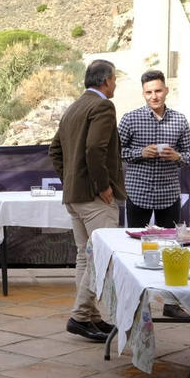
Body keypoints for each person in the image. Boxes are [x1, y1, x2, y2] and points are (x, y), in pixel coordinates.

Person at [49, 59, 125, 342]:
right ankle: (81, 316)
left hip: (75, 196)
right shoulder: (103, 106)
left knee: (85, 255)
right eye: (114, 79)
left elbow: (54, 150)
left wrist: (71, 179)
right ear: (106, 81)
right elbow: (95, 148)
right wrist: (102, 185)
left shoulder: (74, 107)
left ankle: (90, 316)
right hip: (94, 198)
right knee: (102, 256)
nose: (115, 84)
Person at [118, 70, 190, 229]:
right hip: (138, 193)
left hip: (169, 195)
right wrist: (140, 153)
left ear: (166, 90)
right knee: (136, 240)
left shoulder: (179, 120)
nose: (154, 96)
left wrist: (177, 156)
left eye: (158, 91)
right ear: (143, 94)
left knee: (169, 241)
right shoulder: (130, 118)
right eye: (149, 92)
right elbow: (114, 153)